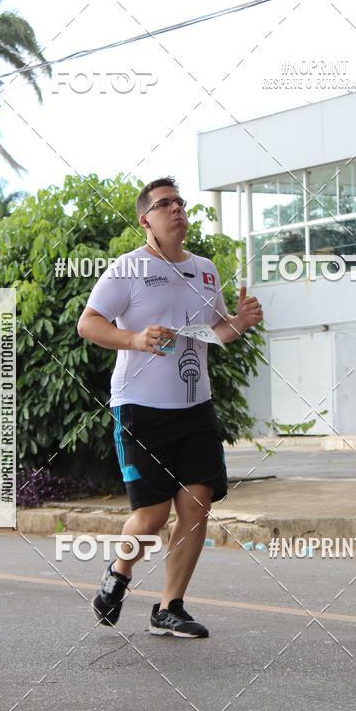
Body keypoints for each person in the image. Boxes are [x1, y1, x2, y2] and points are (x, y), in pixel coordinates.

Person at [78, 176, 263, 638]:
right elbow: (88, 324)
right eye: (165, 204)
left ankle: (170, 607)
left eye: (179, 202)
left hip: (196, 406)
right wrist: (135, 339)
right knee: (153, 515)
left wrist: (239, 323)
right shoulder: (128, 268)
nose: (176, 209)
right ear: (146, 220)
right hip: (141, 408)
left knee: (197, 504)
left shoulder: (204, 269)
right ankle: (119, 573)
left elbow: (213, 332)